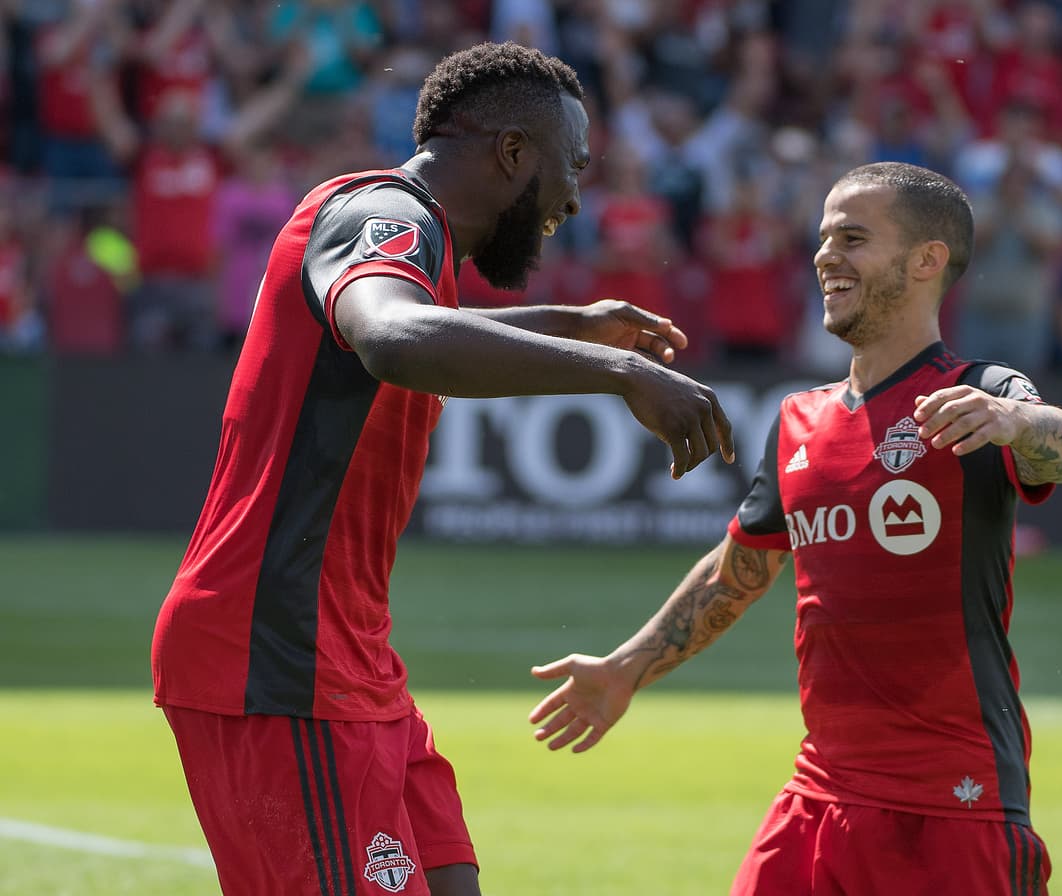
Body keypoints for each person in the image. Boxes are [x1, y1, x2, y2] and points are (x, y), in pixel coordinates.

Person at [150, 41, 734, 896]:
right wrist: (620, 372)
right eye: (570, 166)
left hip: (347, 658)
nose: (574, 198)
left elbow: (415, 317)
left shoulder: (411, 245)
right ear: (510, 153)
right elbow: (392, 336)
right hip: (274, 658)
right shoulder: (384, 211)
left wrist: (573, 325)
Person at [530, 162, 1062, 896]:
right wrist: (626, 667)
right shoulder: (801, 418)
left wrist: (1018, 423)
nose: (826, 255)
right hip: (818, 798)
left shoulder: (980, 395)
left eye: (853, 238)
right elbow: (738, 570)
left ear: (927, 260)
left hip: (955, 805)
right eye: (824, 237)